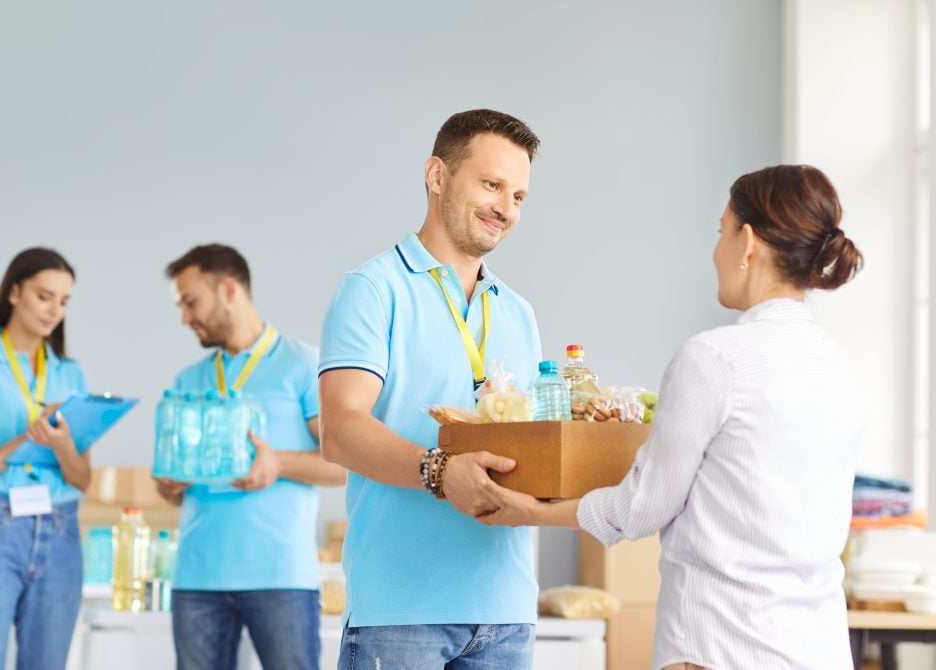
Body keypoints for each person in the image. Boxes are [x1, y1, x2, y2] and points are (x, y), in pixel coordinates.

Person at [479, 164, 865, 669]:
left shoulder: (715, 358)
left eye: (721, 231)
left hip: (719, 648)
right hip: (819, 650)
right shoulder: (841, 366)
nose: (716, 250)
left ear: (747, 242)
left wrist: (526, 512)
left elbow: (641, 509)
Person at [318, 109, 543, 668]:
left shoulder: (519, 313)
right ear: (437, 175)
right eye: (491, 185)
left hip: (508, 612)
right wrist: (441, 472)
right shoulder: (373, 289)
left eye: (518, 196)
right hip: (400, 613)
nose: (505, 209)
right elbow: (340, 430)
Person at [156, 243, 346, 670]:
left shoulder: (303, 365)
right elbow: (170, 492)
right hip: (197, 577)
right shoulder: (187, 381)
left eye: (191, 302)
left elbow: (346, 464)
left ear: (228, 290)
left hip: (280, 577)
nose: (185, 318)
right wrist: (170, 485)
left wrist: (278, 463)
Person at [0, 247, 92, 670]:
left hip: (61, 528)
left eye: (63, 301)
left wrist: (61, 444)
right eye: (44, 296)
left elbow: (82, 478)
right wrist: (28, 437)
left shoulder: (71, 373)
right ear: (14, 292)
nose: (54, 311)